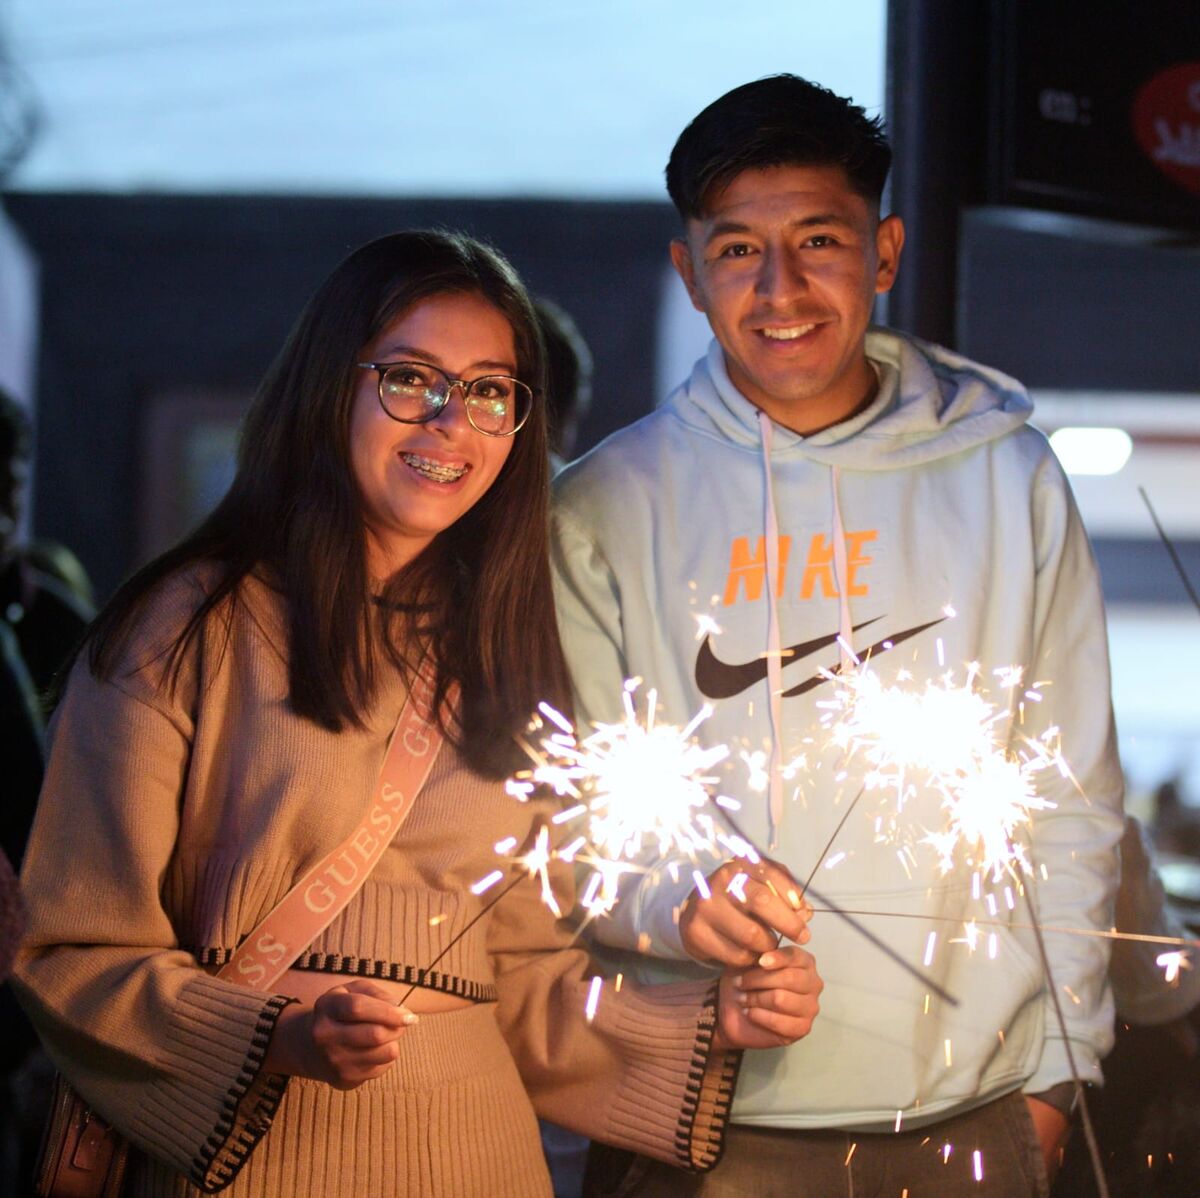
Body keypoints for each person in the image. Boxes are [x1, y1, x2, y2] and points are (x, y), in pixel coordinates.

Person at [13, 230, 823, 1197]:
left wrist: (710, 1017)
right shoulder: (183, 628)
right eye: (410, 378)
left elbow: (520, 976)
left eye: (488, 390)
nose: (450, 422)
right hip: (252, 1162)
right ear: (329, 387)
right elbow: (68, 947)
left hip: (475, 1155)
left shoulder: (516, 648)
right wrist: (278, 1037)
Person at [551, 76, 1124, 1197]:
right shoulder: (605, 505)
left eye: (819, 239)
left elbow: (1071, 802)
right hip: (695, 1112)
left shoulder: (1008, 478)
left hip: (974, 1112)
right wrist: (680, 901)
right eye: (736, 251)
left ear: (886, 249)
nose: (781, 288)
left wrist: (1057, 1082)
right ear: (690, 271)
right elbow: (565, 821)